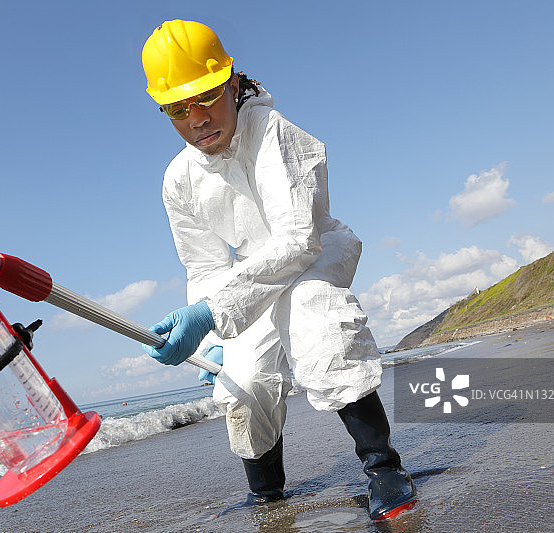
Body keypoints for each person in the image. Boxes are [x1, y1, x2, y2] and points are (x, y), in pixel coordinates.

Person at [140, 19, 417, 521]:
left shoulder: (273, 133)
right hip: (248, 278)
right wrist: (210, 340)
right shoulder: (178, 179)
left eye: (205, 97)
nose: (196, 118)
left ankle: (383, 467)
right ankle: (267, 493)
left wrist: (212, 310)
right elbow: (204, 266)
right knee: (242, 382)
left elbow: (296, 238)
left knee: (314, 318)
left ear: (232, 82)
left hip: (314, 250)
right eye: (177, 109)